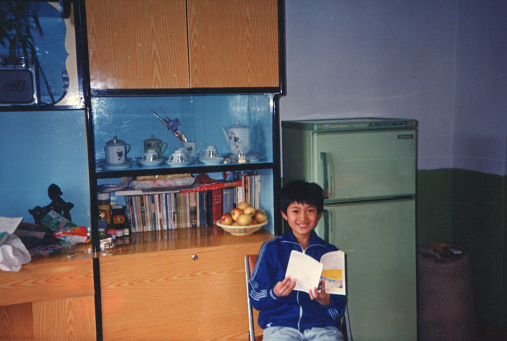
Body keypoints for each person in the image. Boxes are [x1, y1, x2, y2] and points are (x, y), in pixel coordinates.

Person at [248, 180, 347, 341]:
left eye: (310, 210)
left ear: (319, 214)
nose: (303, 217)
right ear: (284, 214)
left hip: (322, 327)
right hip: (280, 326)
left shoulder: (330, 253)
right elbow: (256, 299)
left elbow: (338, 311)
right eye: (295, 211)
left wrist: (326, 301)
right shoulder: (272, 249)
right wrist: (275, 293)